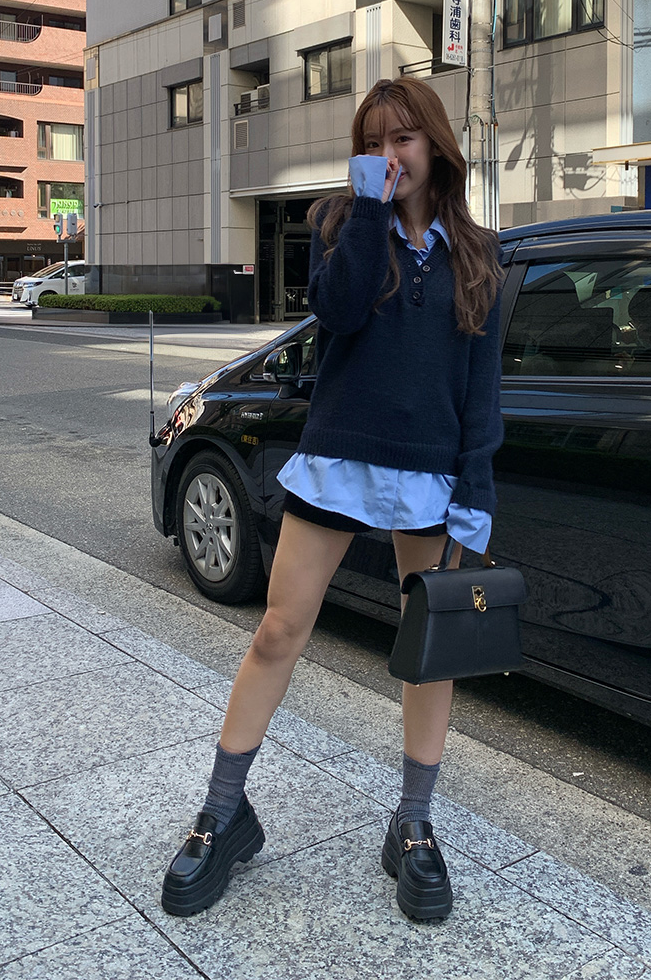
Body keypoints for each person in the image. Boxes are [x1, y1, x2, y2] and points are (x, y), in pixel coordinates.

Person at [161, 76, 504, 922]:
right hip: (339, 457)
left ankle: (414, 825)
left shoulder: (478, 253)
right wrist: (367, 211)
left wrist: (476, 491)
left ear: (435, 145)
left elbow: (481, 389)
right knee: (279, 630)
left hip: (431, 472)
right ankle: (223, 813)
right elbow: (340, 313)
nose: (388, 155)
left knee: (429, 648)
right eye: (373, 142)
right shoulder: (339, 225)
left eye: (403, 139)